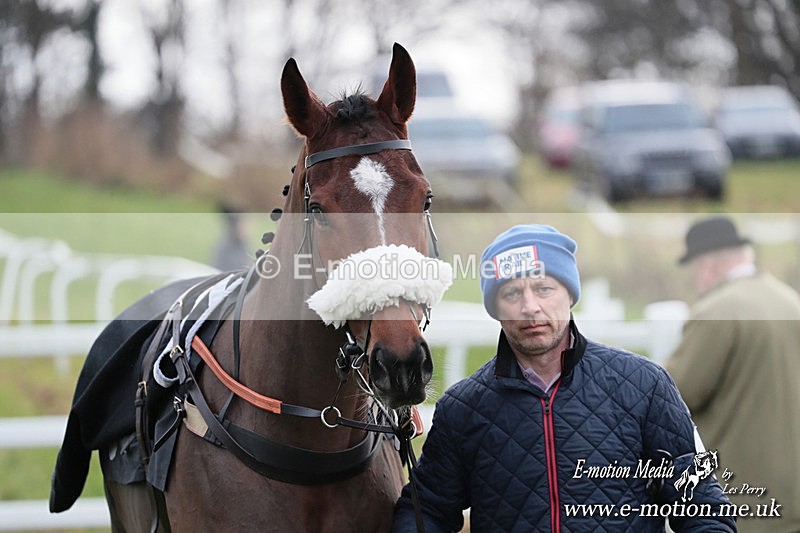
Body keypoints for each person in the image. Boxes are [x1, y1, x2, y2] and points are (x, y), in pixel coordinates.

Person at [393, 224, 735, 532]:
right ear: (496, 308)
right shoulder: (463, 409)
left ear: (569, 294)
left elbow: (704, 509)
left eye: (544, 289)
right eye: (512, 293)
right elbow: (428, 511)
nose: (530, 307)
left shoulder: (644, 386)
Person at [665, 216, 800, 533]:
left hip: (743, 500)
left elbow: (675, 394)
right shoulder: (791, 302)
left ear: (706, 265)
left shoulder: (718, 311)